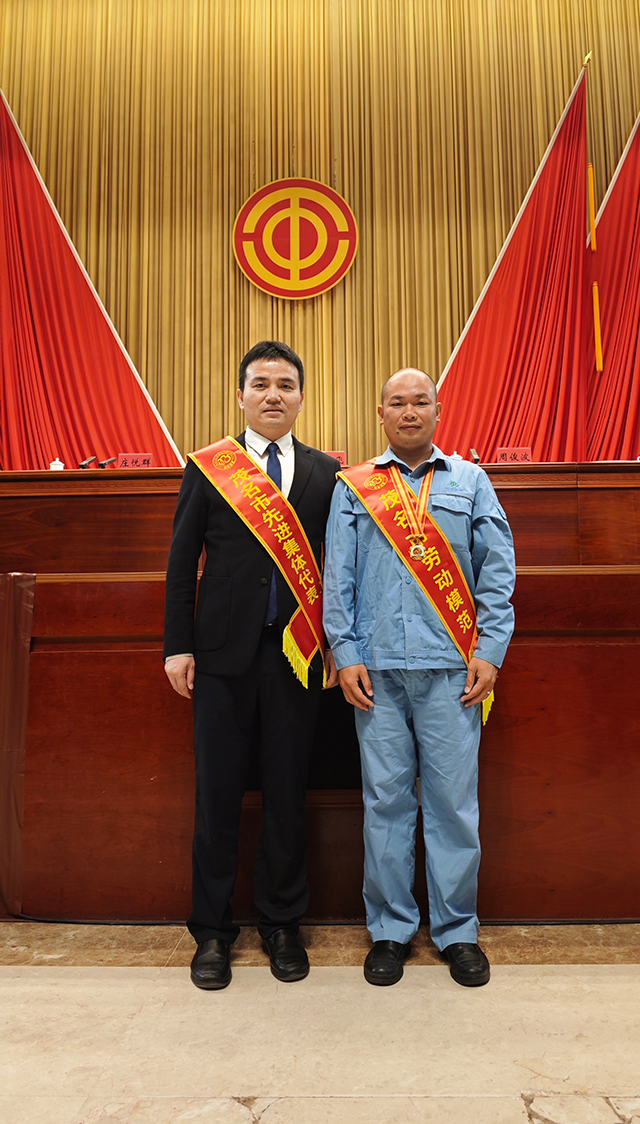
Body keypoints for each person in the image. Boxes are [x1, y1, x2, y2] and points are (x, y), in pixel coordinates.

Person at [323, 368, 515, 988]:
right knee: (385, 802)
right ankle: (390, 929)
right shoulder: (355, 487)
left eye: (420, 402)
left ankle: (458, 931)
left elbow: (497, 571)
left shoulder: (470, 481)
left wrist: (491, 649)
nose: (409, 411)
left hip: (453, 672)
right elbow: (338, 576)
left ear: (438, 410)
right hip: (376, 670)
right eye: (397, 403)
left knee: (453, 805)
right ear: (381, 413)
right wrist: (345, 651)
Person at [164, 340, 339, 990]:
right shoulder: (210, 468)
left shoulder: (327, 472)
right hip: (220, 658)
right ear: (240, 395)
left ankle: (282, 924)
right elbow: (182, 563)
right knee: (217, 797)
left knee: (287, 794)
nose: (273, 395)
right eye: (261, 384)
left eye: (285, 385)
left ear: (301, 398)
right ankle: (211, 933)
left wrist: (337, 645)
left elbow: (338, 568)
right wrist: (177, 645)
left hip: (298, 655)